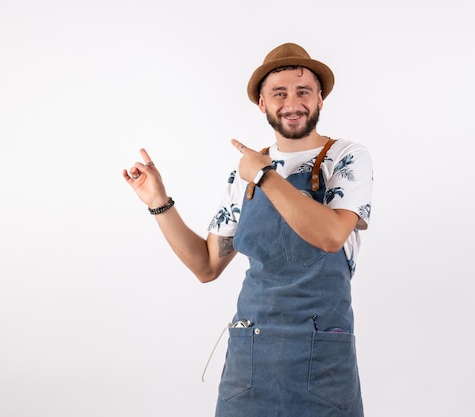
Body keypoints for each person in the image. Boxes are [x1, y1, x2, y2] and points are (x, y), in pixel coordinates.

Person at [123, 42, 373, 417]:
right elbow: (206, 266)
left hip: (322, 355)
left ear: (320, 99)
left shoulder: (347, 157)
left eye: (304, 91)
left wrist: (265, 174)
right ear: (262, 103)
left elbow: (331, 236)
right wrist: (159, 201)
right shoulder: (245, 174)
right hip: (250, 356)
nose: (293, 103)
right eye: (279, 93)